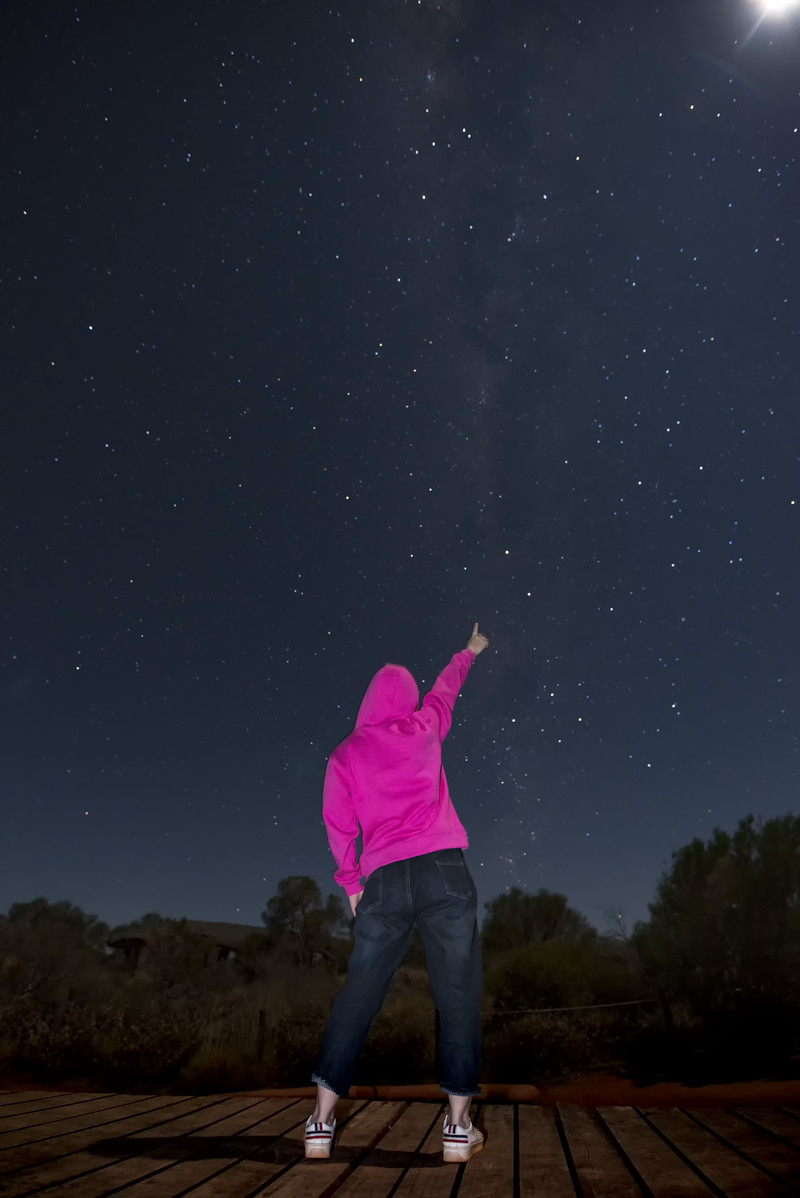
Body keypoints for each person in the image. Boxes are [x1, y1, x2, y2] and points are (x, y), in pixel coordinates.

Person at [304, 623, 490, 1164]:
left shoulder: (345, 753)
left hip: (382, 879)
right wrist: (468, 652)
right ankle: (457, 1129)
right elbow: (444, 691)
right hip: (443, 872)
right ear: (407, 700)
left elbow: (336, 821)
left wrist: (351, 884)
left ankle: (320, 1122)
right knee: (456, 996)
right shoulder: (425, 725)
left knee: (357, 997)